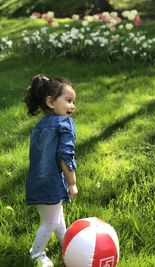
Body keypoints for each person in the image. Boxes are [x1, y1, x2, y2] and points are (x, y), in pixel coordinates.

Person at [24, 74, 78, 267]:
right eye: (68, 100)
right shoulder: (64, 124)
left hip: (36, 181)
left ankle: (67, 245)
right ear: (50, 101)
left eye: (74, 102)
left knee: (56, 218)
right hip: (51, 183)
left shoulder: (40, 125)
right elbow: (65, 156)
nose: (72, 106)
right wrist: (71, 183)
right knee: (50, 223)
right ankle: (36, 253)